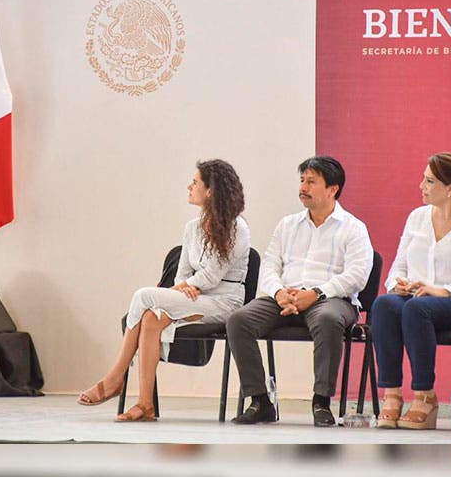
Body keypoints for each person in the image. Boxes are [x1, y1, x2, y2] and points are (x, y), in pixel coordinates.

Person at [77, 159, 249, 422]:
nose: (189, 186)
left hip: (225, 302)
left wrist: (188, 287)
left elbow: (213, 276)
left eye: (195, 182)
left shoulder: (238, 228)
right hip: (195, 297)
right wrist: (184, 288)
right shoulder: (192, 228)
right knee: (151, 317)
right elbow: (182, 273)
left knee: (143, 296)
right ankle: (146, 405)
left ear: (211, 190)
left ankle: (115, 377)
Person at [227, 156, 373, 427]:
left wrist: (316, 293)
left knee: (328, 319)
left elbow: (356, 276)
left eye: (311, 182)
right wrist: (279, 292)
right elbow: (269, 265)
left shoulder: (354, 228)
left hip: (331, 300)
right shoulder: (287, 224)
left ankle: (321, 402)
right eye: (302, 180)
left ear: (333, 189)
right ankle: (260, 401)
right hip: (285, 297)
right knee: (239, 320)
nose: (303, 187)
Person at [371, 152, 451, 430]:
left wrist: (442, 290)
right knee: (384, 304)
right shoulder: (417, 217)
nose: (421, 186)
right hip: (418, 298)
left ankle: (424, 395)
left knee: (418, 308)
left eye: (429, 181)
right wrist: (399, 284)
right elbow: (397, 267)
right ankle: (391, 394)